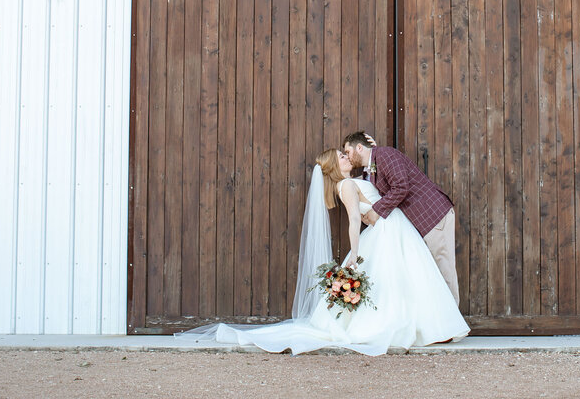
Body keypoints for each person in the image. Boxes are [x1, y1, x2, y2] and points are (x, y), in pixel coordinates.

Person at [178, 148, 468, 355]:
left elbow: (376, 178)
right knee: (398, 282)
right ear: (333, 166)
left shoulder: (359, 179)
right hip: (385, 234)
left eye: (347, 153)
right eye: (342, 156)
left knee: (408, 279)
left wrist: (371, 147)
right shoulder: (345, 186)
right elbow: (356, 220)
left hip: (395, 231)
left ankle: (433, 328)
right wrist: (355, 253)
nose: (346, 157)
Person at [342, 131, 460, 303]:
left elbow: (401, 187)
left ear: (359, 147)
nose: (347, 156)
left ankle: (453, 325)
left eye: (348, 152)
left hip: (433, 216)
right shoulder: (373, 164)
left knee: (444, 269)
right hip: (420, 222)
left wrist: (376, 210)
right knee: (431, 273)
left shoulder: (385, 154)